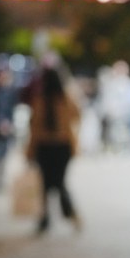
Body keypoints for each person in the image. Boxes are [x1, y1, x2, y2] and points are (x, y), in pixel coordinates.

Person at [26, 67, 82, 235]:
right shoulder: (66, 98)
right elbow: (78, 114)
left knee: (49, 183)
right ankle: (66, 215)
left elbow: (34, 127)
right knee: (58, 183)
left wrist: (29, 151)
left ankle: (48, 219)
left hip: (46, 147)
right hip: (62, 146)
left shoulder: (40, 100)